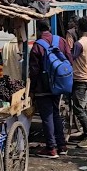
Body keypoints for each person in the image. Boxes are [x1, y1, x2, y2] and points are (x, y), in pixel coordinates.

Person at [30, 19, 69, 158]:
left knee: (47, 117)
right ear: (50, 28)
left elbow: (34, 71)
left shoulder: (37, 46)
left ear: (38, 30)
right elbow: (69, 60)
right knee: (56, 114)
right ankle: (62, 146)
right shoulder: (61, 41)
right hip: (58, 85)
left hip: (42, 87)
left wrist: (32, 90)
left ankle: (51, 148)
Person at [67, 16, 87, 148]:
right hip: (86, 77)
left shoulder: (79, 44)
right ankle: (85, 133)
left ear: (78, 28)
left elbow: (70, 58)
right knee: (83, 108)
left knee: (79, 109)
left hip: (80, 79)